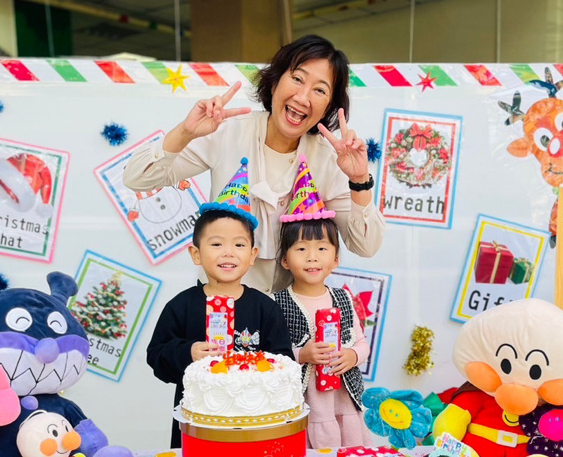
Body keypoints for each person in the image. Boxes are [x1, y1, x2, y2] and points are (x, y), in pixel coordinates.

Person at [123, 34, 385, 293]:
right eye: (297, 79)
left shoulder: (329, 159)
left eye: (320, 90)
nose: (303, 97)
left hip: (287, 312)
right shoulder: (228, 132)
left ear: (328, 107)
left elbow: (366, 246)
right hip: (220, 305)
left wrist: (359, 180)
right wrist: (185, 132)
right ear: (274, 83)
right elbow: (135, 178)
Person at [146, 162, 293, 447]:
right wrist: (188, 352)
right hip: (198, 426)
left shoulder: (265, 308)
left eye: (239, 245)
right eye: (216, 244)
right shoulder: (181, 306)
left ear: (252, 255)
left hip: (254, 424)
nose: (228, 252)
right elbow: (157, 357)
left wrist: (255, 367)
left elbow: (284, 360)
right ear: (196, 254)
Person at [272, 158, 370, 449]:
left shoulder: (343, 298)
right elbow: (272, 354)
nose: (312, 257)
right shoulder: (277, 302)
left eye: (322, 249)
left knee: (348, 454)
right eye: (301, 249)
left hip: (343, 399)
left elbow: (361, 342)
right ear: (285, 260)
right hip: (305, 402)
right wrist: (301, 354)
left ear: (336, 259)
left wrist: (352, 356)